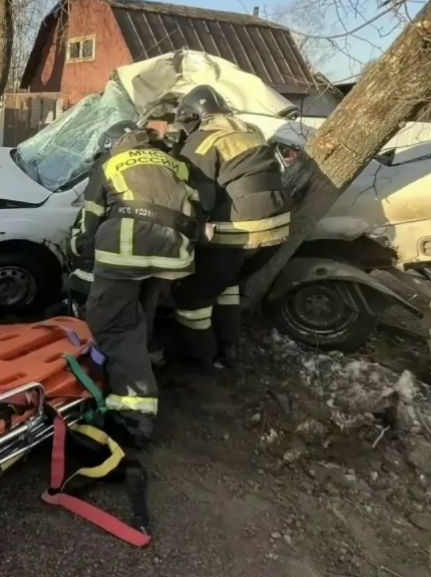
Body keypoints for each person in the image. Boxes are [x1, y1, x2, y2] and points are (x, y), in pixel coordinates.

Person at [71, 120, 203, 447]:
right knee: (142, 310)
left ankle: (135, 412)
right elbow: (199, 206)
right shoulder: (174, 162)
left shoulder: (110, 164)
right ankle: (148, 354)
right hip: (173, 254)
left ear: (113, 144)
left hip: (126, 251)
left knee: (112, 324)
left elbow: (89, 225)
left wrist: (77, 250)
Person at [169, 84, 291, 368]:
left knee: (193, 297)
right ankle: (229, 349)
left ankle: (200, 360)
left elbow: (196, 197)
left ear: (193, 117)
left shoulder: (202, 141)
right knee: (226, 285)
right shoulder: (250, 130)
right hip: (277, 230)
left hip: (239, 230)